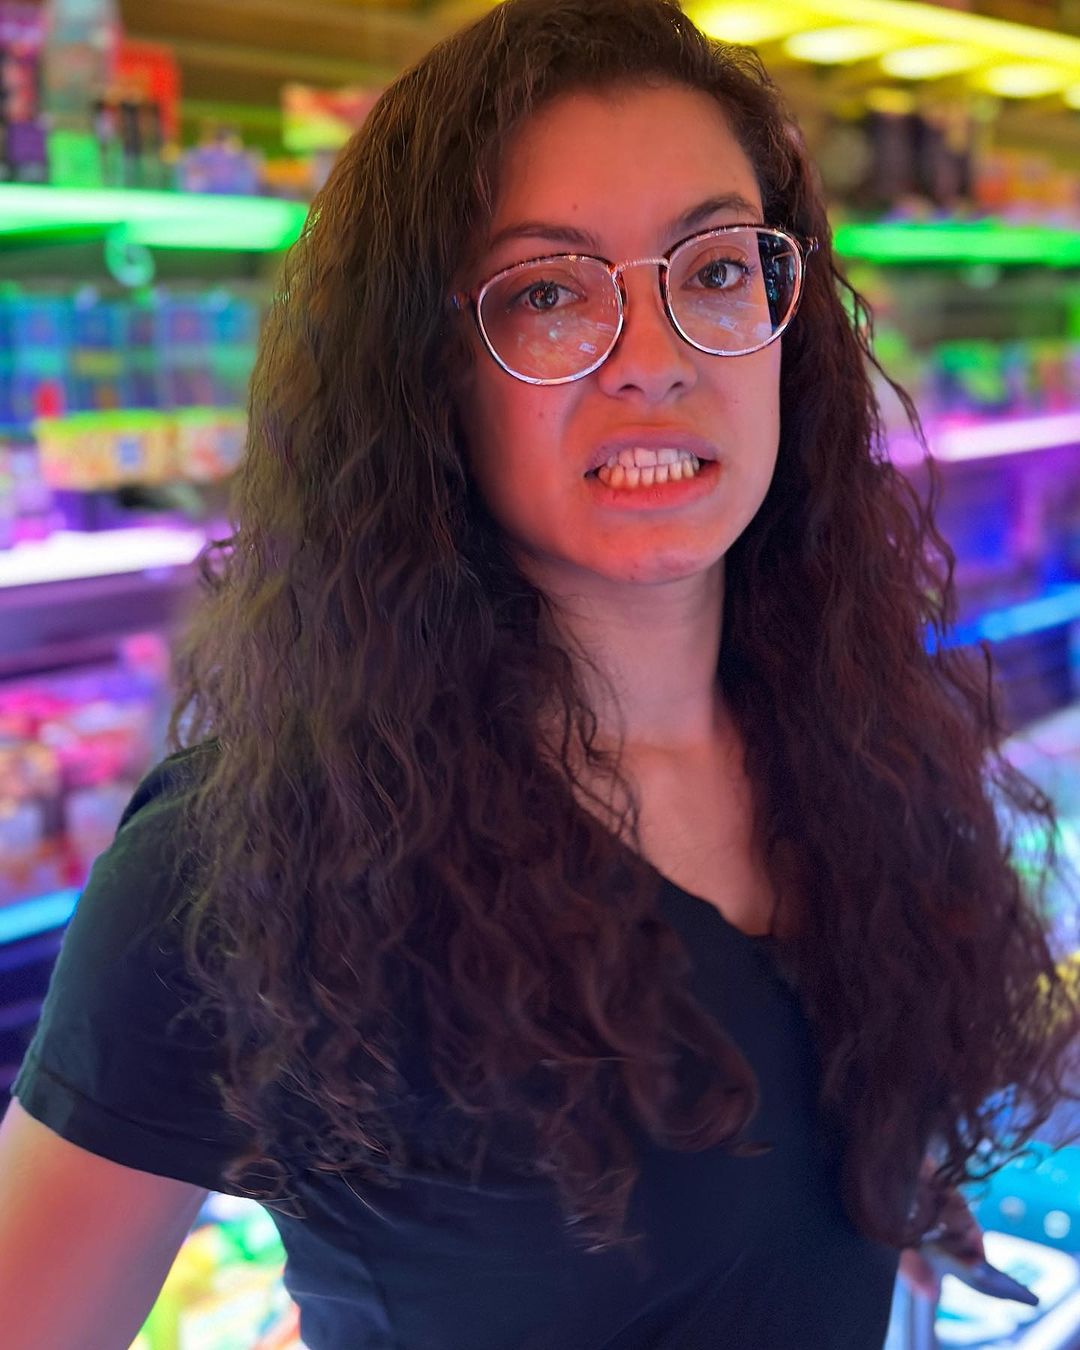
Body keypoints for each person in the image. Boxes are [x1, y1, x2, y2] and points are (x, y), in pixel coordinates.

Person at [1, 1, 1076, 1346]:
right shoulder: (244, 858)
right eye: (550, 292)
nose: (656, 361)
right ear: (424, 371)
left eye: (716, 269)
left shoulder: (859, 745)